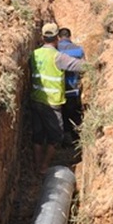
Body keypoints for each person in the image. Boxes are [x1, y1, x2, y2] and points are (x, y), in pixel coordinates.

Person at [30, 22, 85, 174]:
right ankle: (44, 167)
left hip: (35, 100)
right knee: (56, 137)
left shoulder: (34, 54)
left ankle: (36, 166)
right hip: (52, 103)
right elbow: (79, 66)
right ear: (56, 39)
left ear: (42, 37)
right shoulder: (57, 57)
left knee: (38, 136)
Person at [57, 27, 84, 146]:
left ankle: (63, 140)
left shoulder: (55, 49)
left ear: (58, 37)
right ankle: (76, 139)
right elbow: (84, 68)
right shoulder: (78, 49)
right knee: (74, 115)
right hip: (73, 90)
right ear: (70, 36)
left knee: (61, 116)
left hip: (58, 90)